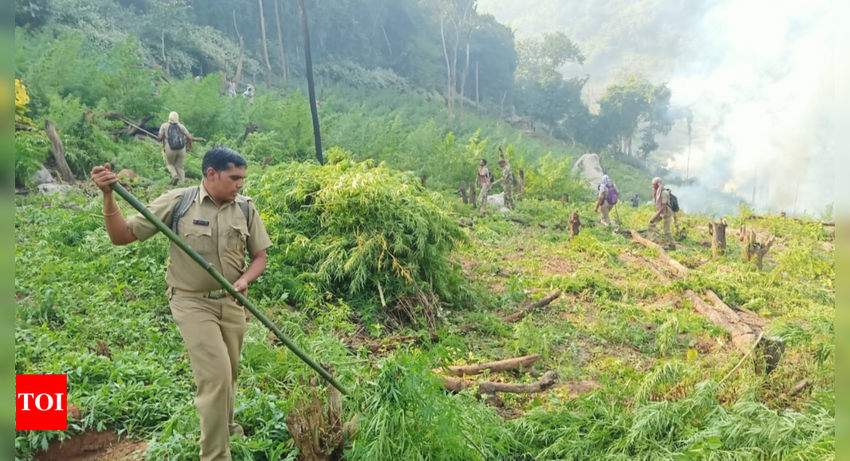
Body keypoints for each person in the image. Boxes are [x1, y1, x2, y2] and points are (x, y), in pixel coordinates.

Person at [90, 147, 273, 461]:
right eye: (234, 178)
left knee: (229, 372)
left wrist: (244, 281)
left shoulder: (244, 208)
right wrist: (109, 196)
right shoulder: (179, 202)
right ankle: (215, 455)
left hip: (231, 302)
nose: (240, 184)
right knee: (215, 376)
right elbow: (122, 236)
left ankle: (227, 426)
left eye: (243, 178)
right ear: (211, 174)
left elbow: (260, 257)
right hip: (191, 302)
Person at [158, 112, 194, 185]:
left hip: (169, 148)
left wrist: (162, 137)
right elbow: (189, 137)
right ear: (177, 118)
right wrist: (190, 145)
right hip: (181, 149)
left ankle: (174, 176)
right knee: (180, 166)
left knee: (170, 164)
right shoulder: (182, 126)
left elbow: (160, 138)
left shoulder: (164, 126)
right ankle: (181, 184)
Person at [649, 177, 675, 248]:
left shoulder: (664, 193)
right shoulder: (658, 192)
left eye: (654, 185)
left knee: (666, 231)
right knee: (651, 224)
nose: (653, 186)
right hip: (661, 212)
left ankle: (672, 244)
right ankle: (653, 241)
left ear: (658, 184)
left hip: (666, 213)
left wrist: (655, 216)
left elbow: (663, 206)